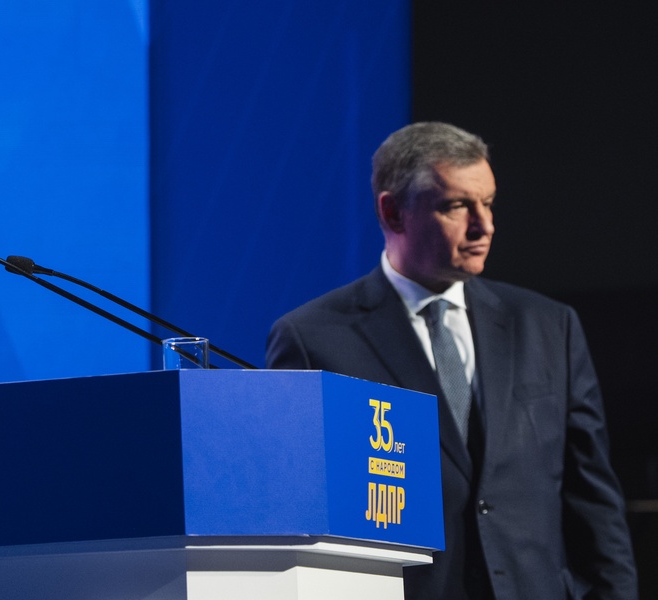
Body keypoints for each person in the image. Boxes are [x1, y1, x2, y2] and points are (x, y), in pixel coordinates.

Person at [266, 122, 637, 599]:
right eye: (457, 206)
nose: (484, 226)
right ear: (393, 212)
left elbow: (594, 502)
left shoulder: (549, 326)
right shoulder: (313, 339)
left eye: (488, 203)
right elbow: (296, 513)